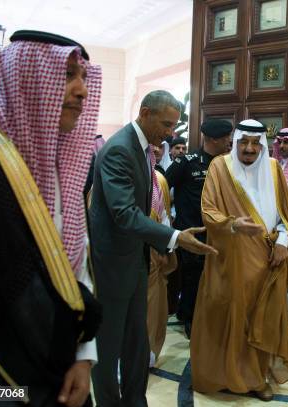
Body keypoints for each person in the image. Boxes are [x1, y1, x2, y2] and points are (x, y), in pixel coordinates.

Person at [0, 30, 102, 406]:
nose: (81, 90)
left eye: (84, 77)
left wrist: (85, 357)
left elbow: (75, 269)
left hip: (59, 369)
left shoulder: (61, 162)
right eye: (67, 74)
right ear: (26, 81)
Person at [89, 90, 216, 406]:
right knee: (108, 346)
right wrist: (173, 237)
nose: (171, 133)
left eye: (174, 126)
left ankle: (135, 400)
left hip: (136, 261)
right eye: (166, 124)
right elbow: (124, 214)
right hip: (114, 266)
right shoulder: (119, 149)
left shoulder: (144, 148)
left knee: (137, 343)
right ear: (145, 113)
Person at [190, 119, 288, 401]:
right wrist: (233, 224)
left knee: (260, 320)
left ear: (263, 144)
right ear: (234, 141)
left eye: (255, 143)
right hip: (229, 260)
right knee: (227, 316)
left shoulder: (274, 170)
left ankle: (255, 378)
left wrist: (283, 242)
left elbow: (286, 216)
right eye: (243, 142)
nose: (249, 149)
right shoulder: (219, 167)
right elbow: (208, 210)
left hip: (267, 260)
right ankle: (224, 375)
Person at [164, 119, 232, 338]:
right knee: (194, 277)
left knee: (215, 276)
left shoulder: (228, 162)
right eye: (224, 138)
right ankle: (192, 319)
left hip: (220, 232)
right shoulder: (187, 162)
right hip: (193, 231)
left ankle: (197, 313)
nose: (229, 142)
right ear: (211, 139)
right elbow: (163, 185)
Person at [146, 140, 177, 368]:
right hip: (126, 257)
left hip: (154, 256)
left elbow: (164, 217)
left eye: (159, 146)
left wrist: (167, 248)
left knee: (154, 310)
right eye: (150, 145)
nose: (155, 150)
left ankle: (147, 355)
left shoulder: (160, 180)